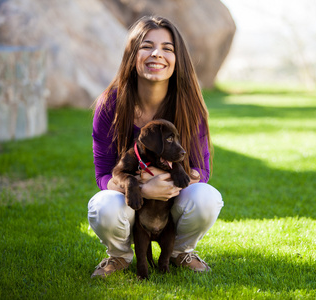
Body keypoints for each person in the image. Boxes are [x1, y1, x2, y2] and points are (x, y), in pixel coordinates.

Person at [87, 16, 223, 278]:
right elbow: (103, 175)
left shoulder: (189, 106)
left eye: (167, 48)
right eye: (147, 46)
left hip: (170, 204)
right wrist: (144, 188)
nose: (157, 54)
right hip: (129, 197)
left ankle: (180, 252)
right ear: (132, 54)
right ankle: (120, 256)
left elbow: (201, 170)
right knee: (103, 205)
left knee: (206, 197)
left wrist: (169, 184)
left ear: (177, 58)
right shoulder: (110, 104)